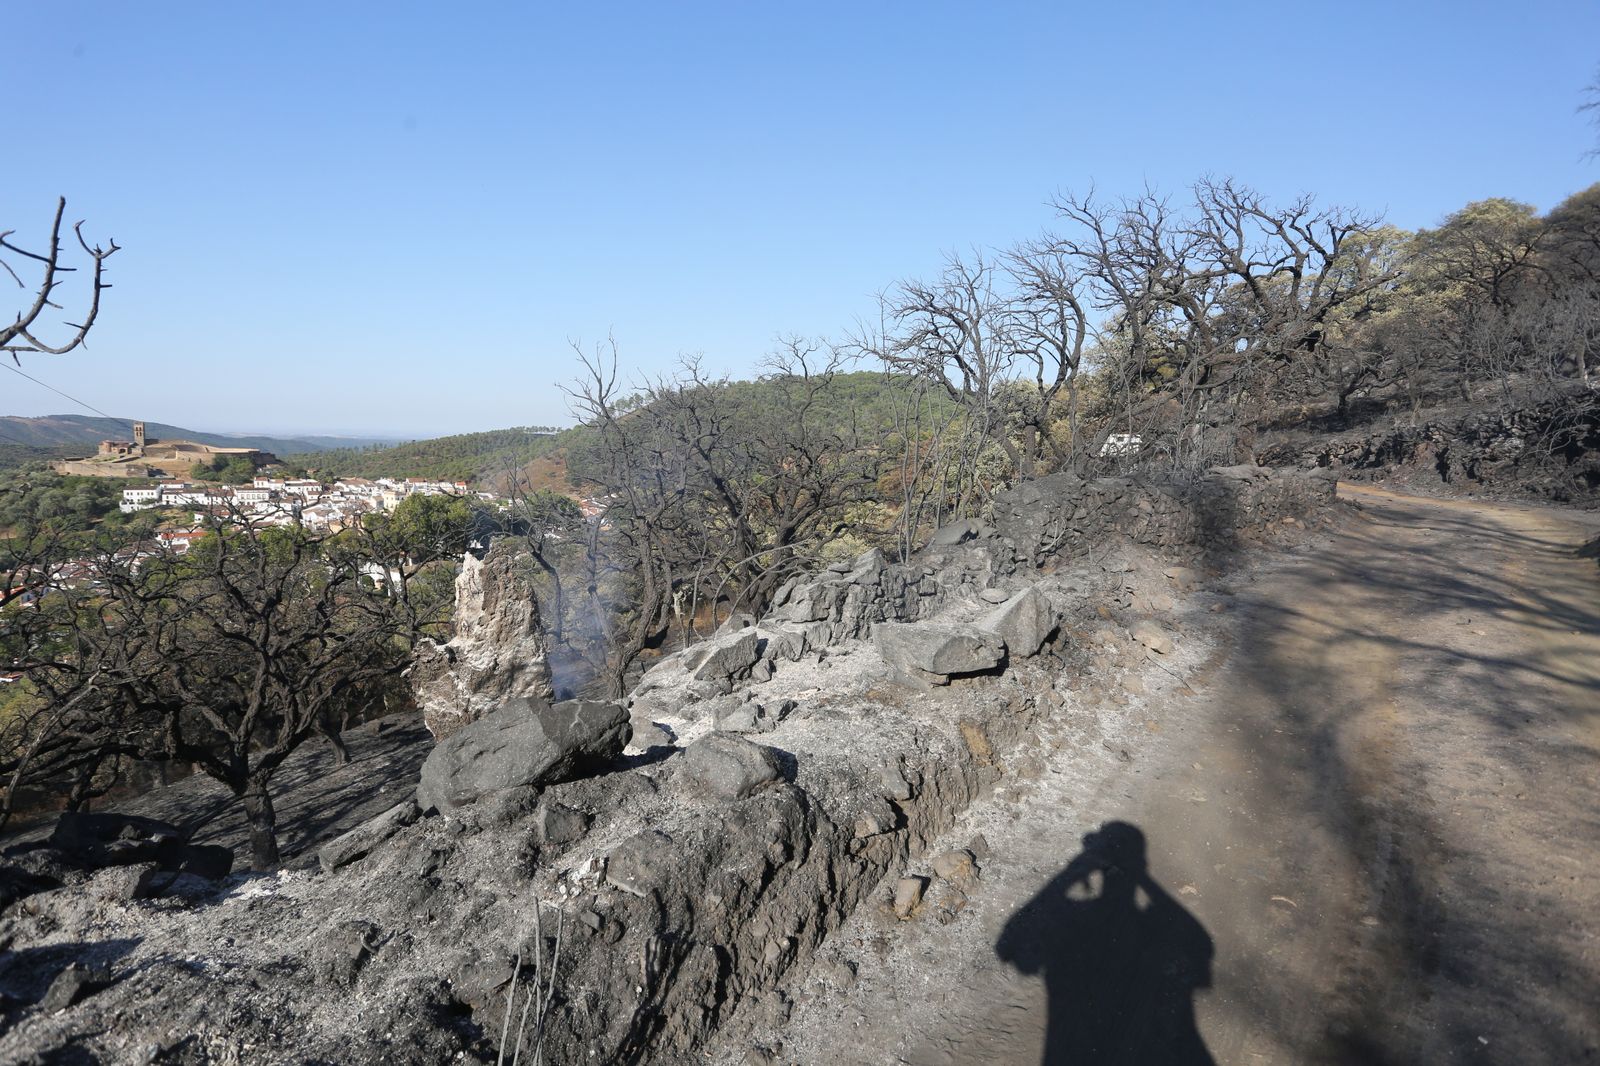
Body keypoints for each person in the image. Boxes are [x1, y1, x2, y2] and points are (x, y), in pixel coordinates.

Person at [996, 821, 1215, 1065]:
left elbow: (1008, 944)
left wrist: (1076, 869)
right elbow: (1197, 939)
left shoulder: (1077, 917)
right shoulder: (1154, 926)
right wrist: (1142, 877)